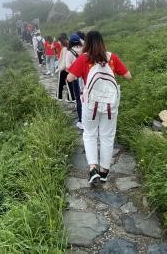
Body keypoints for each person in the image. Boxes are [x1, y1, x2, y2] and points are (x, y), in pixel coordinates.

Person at [67, 30, 132, 184]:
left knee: (90, 134)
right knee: (107, 136)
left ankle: (92, 169)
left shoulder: (84, 58)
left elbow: (70, 78)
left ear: (87, 43)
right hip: (110, 105)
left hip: (91, 104)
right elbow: (128, 76)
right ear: (102, 42)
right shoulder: (112, 57)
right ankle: (104, 171)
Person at [66, 33, 84, 128]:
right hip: (86, 78)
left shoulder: (69, 52)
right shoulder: (84, 49)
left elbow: (68, 66)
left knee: (78, 99)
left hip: (76, 79)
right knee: (87, 98)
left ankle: (81, 121)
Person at [55, 34, 74, 102]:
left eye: (59, 41)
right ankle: (71, 98)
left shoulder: (65, 49)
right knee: (69, 84)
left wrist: (59, 69)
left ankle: (59, 97)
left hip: (64, 69)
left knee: (60, 84)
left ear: (61, 41)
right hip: (68, 69)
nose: (58, 43)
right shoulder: (69, 47)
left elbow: (64, 61)